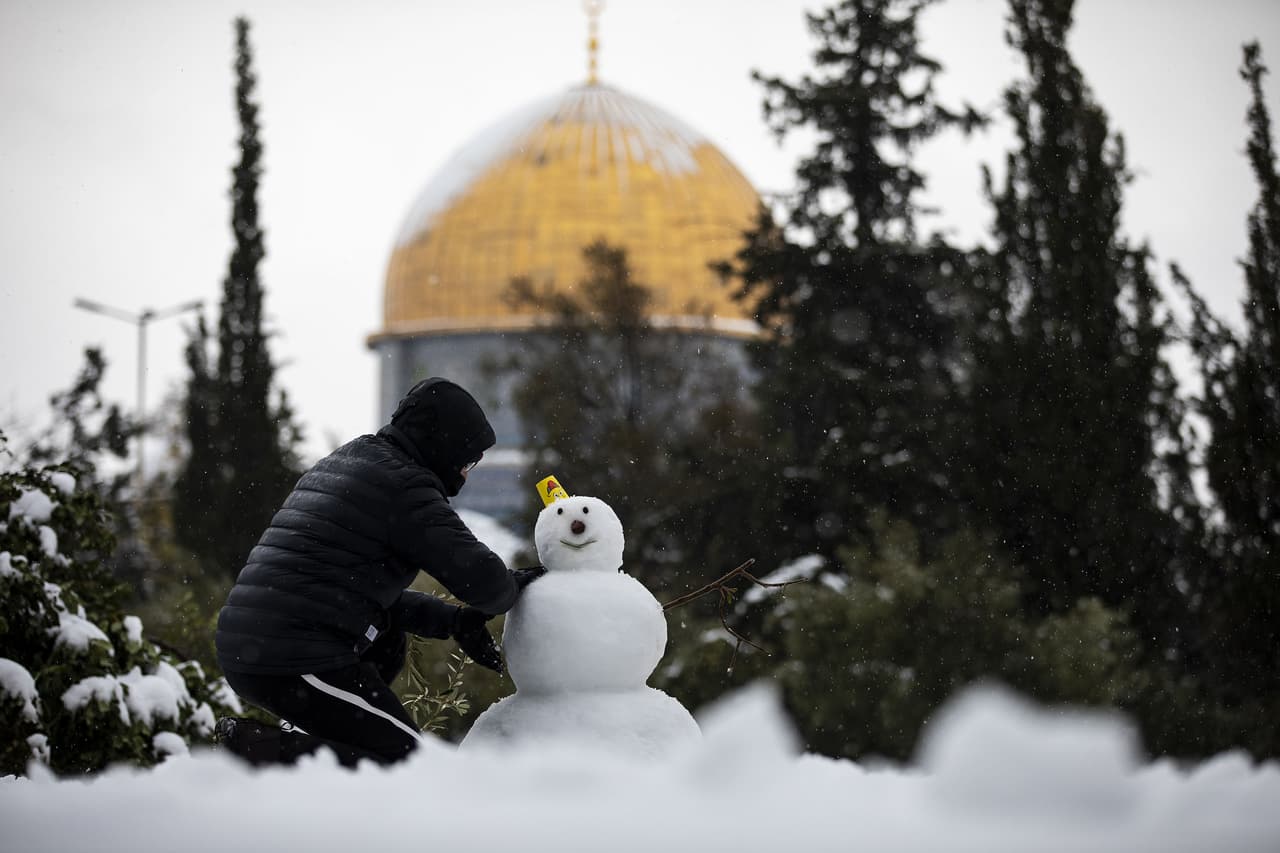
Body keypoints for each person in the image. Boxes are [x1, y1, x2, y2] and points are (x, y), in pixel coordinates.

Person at [213, 377, 543, 767]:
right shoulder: (405, 486)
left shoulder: (354, 458)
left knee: (387, 642)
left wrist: (453, 621)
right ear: (442, 444)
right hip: (292, 657)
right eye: (467, 461)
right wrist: (512, 584)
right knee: (406, 762)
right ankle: (255, 748)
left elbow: (353, 590)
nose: (466, 475)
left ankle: (309, 765)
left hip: (258, 641)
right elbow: (484, 581)